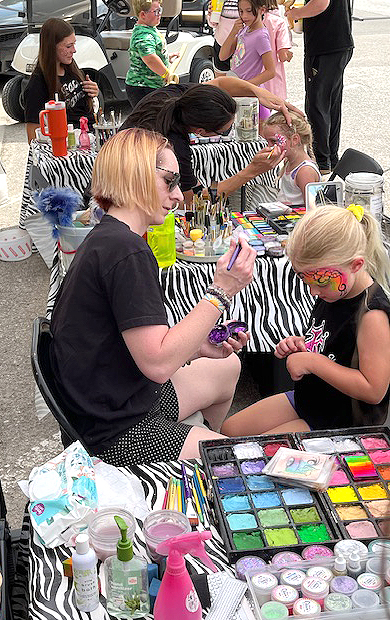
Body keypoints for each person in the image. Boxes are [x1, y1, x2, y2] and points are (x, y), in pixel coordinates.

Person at [50, 127, 257, 464]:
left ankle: (197, 450)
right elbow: (158, 363)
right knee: (233, 459)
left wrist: (196, 346)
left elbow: (138, 344)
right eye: (170, 181)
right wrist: (222, 290)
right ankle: (203, 466)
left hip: (118, 398)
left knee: (228, 365)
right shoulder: (126, 251)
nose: (177, 196)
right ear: (137, 177)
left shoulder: (112, 237)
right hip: (116, 433)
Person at [222, 205, 390, 437]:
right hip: (311, 399)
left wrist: (311, 361)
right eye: (305, 280)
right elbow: (334, 343)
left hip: (340, 421)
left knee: (252, 450)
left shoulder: (373, 315)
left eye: (320, 282)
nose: (312, 292)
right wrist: (302, 344)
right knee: (230, 430)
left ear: (356, 265)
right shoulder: (334, 291)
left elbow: (374, 390)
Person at [121, 76, 304, 203]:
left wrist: (255, 91)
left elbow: (220, 83)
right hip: (121, 191)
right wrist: (251, 171)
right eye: (225, 131)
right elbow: (190, 202)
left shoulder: (182, 98)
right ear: (200, 131)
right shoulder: (173, 146)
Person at [286, 0, 354, 175]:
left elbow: (321, 3)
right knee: (330, 104)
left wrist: (296, 13)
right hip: (338, 43)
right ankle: (330, 159)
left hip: (326, 46)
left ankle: (322, 162)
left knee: (317, 105)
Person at [24, 18, 99, 143]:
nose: (74, 50)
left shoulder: (71, 67)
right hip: (68, 146)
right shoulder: (37, 84)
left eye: (74, 44)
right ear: (51, 47)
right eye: (68, 46)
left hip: (90, 137)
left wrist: (93, 91)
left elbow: (87, 104)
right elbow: (33, 134)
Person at [220, 0, 275, 120]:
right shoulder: (244, 30)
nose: (244, 16)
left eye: (249, 11)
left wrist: (245, 86)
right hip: (240, 94)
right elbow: (222, 56)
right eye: (241, 11)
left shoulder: (261, 36)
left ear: (262, 10)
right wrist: (233, 31)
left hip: (252, 99)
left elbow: (271, 71)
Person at [125, 0, 177, 109]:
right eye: (156, 11)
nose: (160, 14)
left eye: (160, 10)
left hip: (152, 86)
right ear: (143, 14)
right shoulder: (143, 34)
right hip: (143, 88)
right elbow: (150, 59)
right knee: (149, 121)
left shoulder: (150, 29)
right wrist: (167, 74)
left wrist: (166, 58)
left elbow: (153, 54)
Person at [262, 111, 320, 205]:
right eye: (267, 141)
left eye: (274, 141)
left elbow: (311, 208)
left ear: (294, 140)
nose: (269, 146)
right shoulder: (289, 162)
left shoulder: (305, 171)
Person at [263, 0, 293, 100]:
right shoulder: (278, 22)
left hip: (254, 80)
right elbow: (283, 55)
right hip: (273, 82)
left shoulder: (251, 20)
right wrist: (288, 55)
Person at [207, 0, 239, 77]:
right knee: (221, 81)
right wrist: (210, 14)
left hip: (241, 45)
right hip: (221, 42)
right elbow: (213, 23)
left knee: (241, 80)